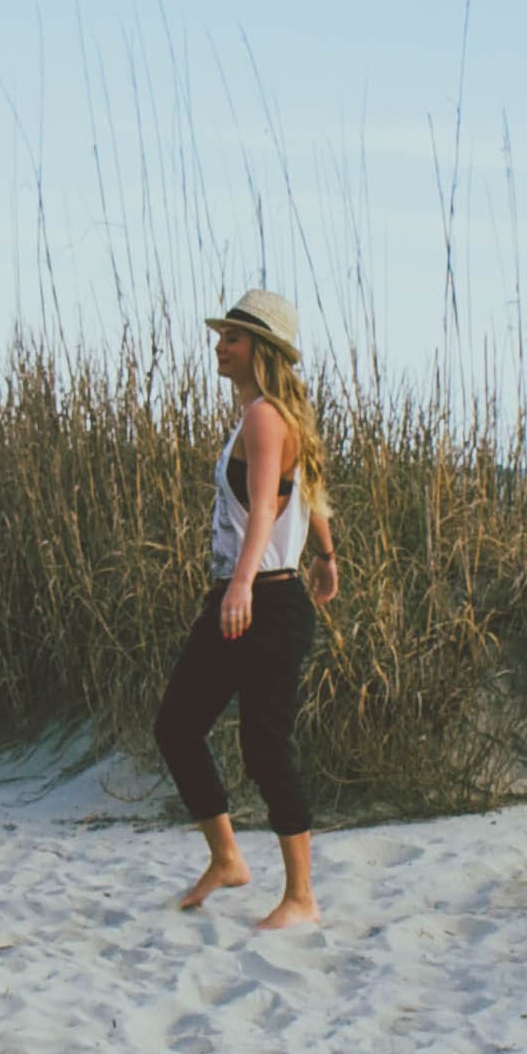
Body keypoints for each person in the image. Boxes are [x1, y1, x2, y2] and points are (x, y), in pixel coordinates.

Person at [157, 286, 340, 930]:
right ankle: (229, 859)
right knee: (177, 726)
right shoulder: (268, 415)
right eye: (221, 335)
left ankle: (301, 899)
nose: (220, 345)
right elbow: (308, 492)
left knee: (267, 747)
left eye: (232, 337)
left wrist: (240, 585)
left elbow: (265, 507)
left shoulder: (266, 416)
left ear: (259, 348)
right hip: (256, 592)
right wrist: (326, 554)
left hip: (261, 597)